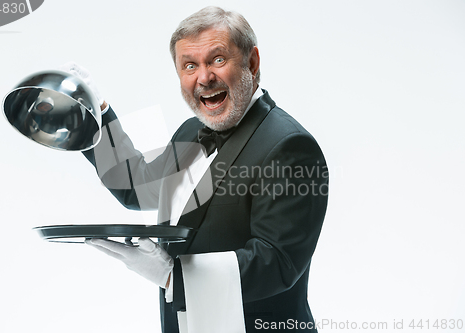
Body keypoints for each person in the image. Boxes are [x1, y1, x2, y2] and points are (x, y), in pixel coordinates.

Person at [64, 6, 328, 333]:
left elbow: (277, 261)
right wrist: (96, 112)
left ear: (253, 63)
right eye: (190, 65)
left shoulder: (290, 146)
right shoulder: (193, 130)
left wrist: (173, 276)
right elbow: (137, 184)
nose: (203, 78)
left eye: (217, 60)